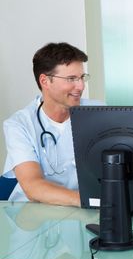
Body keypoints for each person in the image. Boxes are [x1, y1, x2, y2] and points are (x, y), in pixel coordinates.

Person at [2, 42, 102, 206]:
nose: (81, 86)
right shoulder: (19, 124)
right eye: (71, 79)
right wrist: (91, 201)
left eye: (82, 77)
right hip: (32, 215)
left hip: (81, 211)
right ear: (45, 81)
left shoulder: (99, 113)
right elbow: (33, 187)